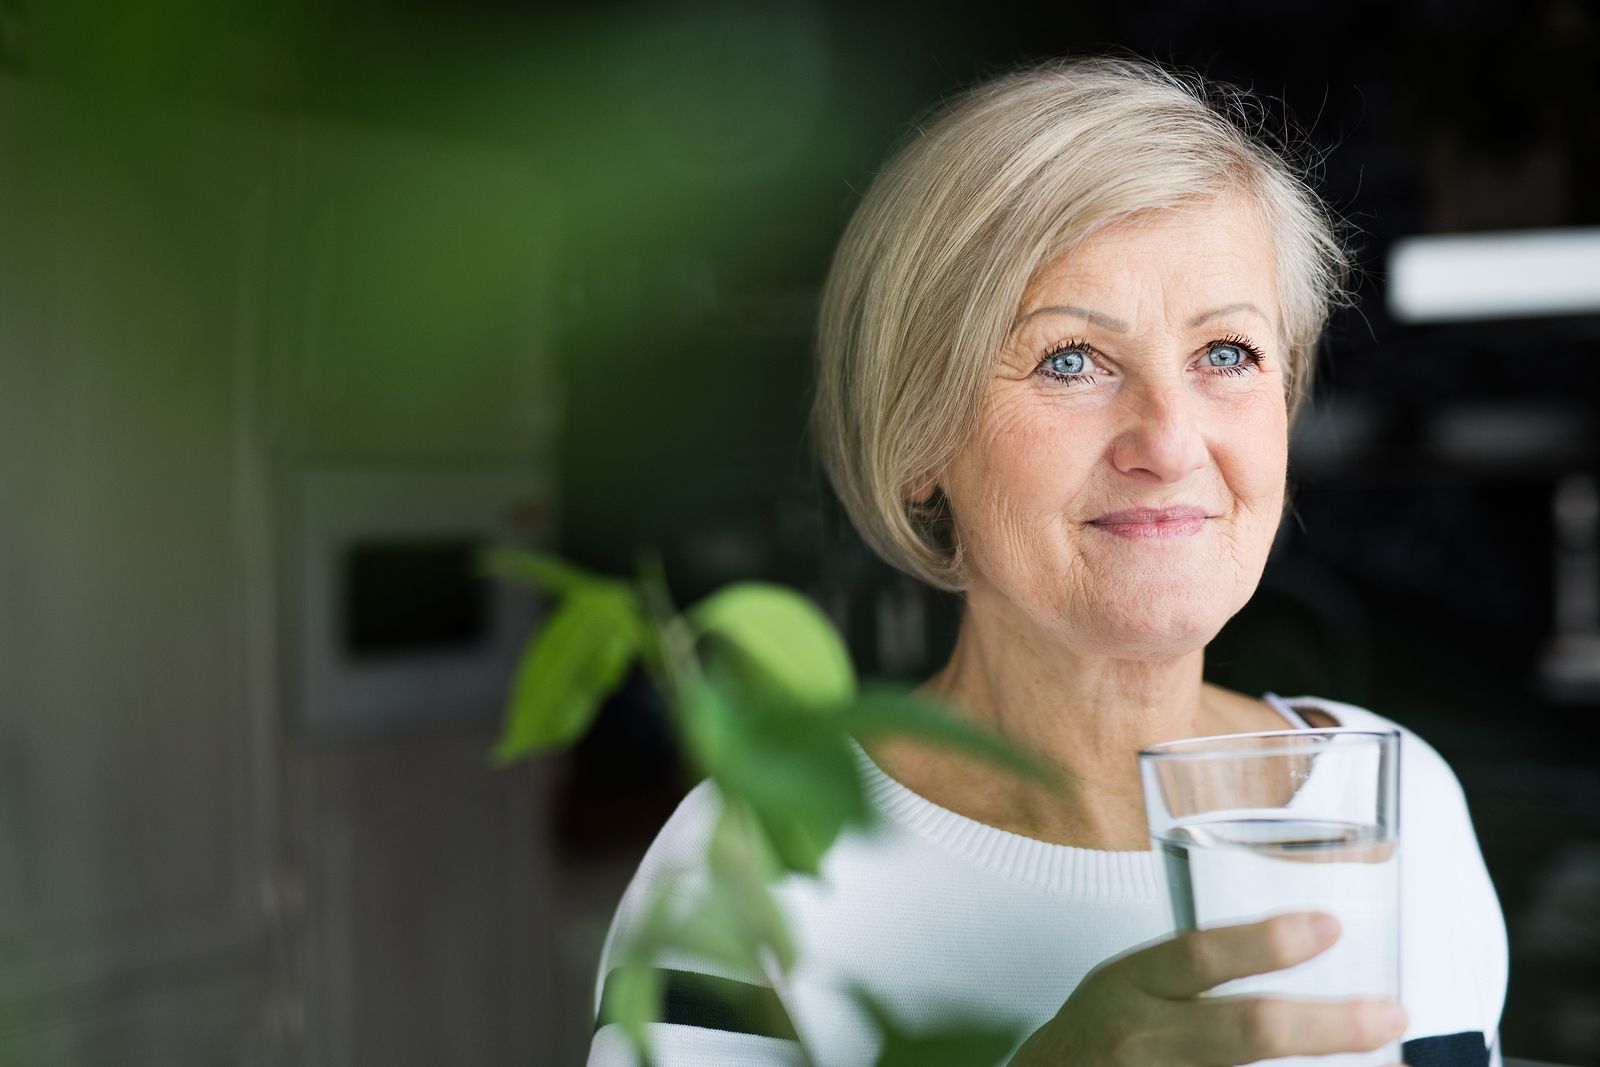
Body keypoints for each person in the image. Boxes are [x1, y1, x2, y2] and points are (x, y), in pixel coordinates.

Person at [587, 56, 1508, 1066]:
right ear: (919, 441)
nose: (1167, 440)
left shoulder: (1392, 804)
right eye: (1070, 359)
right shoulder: (750, 861)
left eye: (1226, 354)